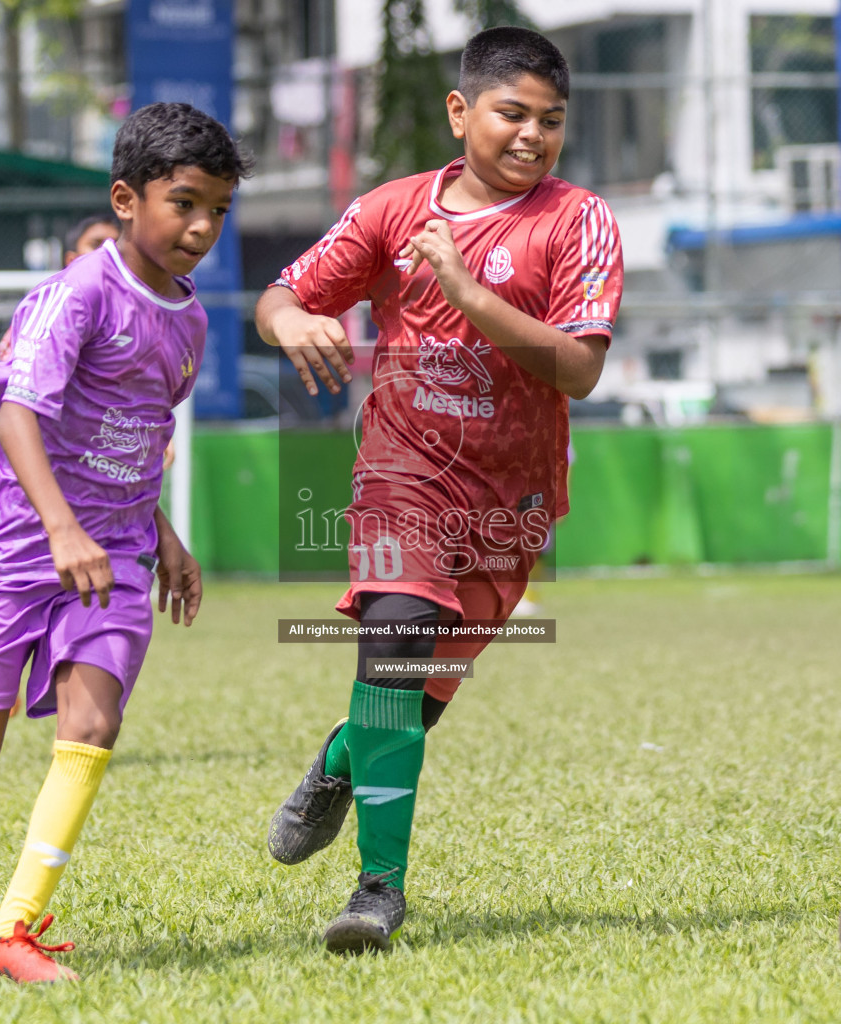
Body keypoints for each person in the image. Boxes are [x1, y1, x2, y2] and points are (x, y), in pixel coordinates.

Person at [0, 101, 245, 983]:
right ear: (125, 199)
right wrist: (62, 526)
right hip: (17, 546)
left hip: (112, 556)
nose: (201, 227)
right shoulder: (77, 295)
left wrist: (165, 535)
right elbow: (18, 415)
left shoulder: (189, 320)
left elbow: (133, 437)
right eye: (184, 202)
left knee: (93, 720)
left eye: (217, 209)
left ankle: (11, 932)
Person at [256, 27, 623, 954]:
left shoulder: (580, 220)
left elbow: (578, 370)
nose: (533, 135)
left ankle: (342, 760)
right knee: (396, 645)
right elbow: (281, 296)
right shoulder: (392, 209)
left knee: (409, 705)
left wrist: (467, 290)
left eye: (551, 120)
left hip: (513, 504)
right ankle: (379, 891)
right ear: (462, 113)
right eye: (513, 114)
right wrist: (294, 319)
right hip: (402, 475)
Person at [0, 212, 121, 367]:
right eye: (96, 244)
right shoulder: (43, 310)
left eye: (116, 245)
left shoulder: (138, 311)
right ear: (71, 259)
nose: (106, 252)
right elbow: (6, 375)